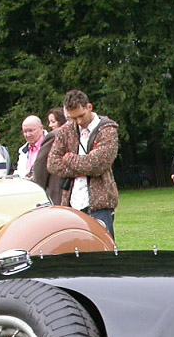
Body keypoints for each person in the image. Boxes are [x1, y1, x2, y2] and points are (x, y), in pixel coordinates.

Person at [46, 89, 119, 237]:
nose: (78, 122)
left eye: (81, 116)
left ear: (89, 107)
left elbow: (97, 165)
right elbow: (52, 163)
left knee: (103, 253)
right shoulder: (65, 131)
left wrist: (68, 158)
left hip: (100, 205)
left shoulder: (107, 130)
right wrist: (84, 165)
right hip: (70, 204)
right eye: (73, 118)